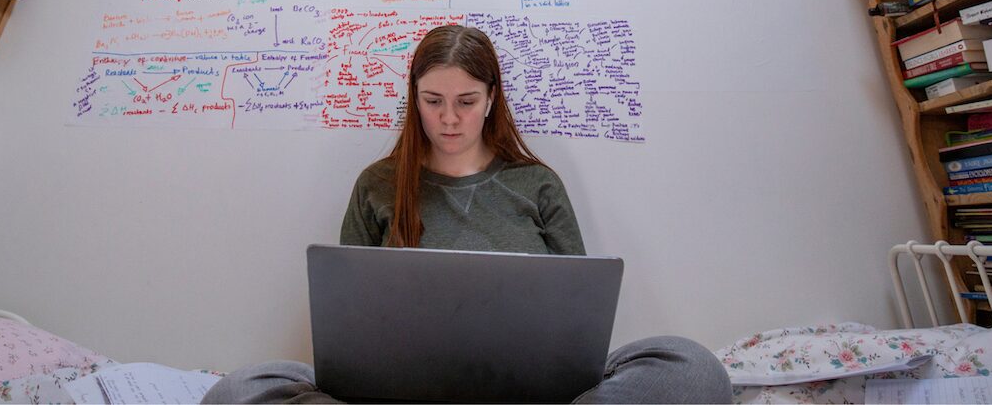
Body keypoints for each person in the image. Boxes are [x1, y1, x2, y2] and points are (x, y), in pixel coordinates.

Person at [203, 25, 731, 404]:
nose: (449, 119)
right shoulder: (378, 185)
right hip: (401, 393)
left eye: (467, 101)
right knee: (239, 390)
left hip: (530, 393)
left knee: (689, 368)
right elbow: (347, 328)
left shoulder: (537, 183)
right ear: (414, 99)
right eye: (433, 101)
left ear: (491, 98)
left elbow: (580, 328)